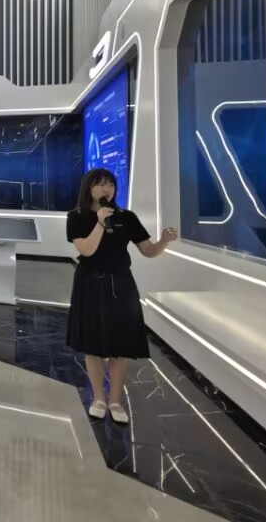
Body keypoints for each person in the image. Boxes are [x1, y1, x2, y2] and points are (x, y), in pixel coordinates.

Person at [66, 168, 177, 425]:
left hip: (121, 284)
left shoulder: (127, 217)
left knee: (121, 344)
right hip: (90, 284)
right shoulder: (77, 216)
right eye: (100, 184)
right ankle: (98, 398)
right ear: (89, 188)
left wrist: (163, 241)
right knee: (93, 345)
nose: (106, 189)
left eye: (110, 185)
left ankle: (115, 401)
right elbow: (87, 250)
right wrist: (100, 223)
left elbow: (148, 250)